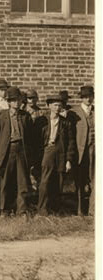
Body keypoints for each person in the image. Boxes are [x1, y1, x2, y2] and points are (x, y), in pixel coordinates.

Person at [0, 86, 34, 216]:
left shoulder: (25, 116)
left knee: (22, 181)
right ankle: (4, 210)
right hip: (8, 150)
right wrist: (4, 147)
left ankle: (22, 210)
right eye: (13, 100)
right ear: (9, 102)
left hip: (21, 150)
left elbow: (30, 135)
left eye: (18, 100)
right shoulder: (1, 117)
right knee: (5, 181)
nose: (16, 103)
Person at [36, 95, 77, 216]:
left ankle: (55, 210)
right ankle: (42, 210)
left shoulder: (65, 123)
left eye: (60, 105)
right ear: (49, 106)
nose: (57, 108)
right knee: (45, 181)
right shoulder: (41, 121)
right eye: (55, 105)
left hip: (61, 153)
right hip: (47, 151)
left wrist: (68, 160)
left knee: (58, 181)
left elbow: (71, 142)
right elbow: (35, 140)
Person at [70, 85, 95, 216]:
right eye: (85, 97)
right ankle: (79, 211)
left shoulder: (97, 111)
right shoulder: (75, 112)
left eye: (90, 96)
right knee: (80, 181)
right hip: (81, 152)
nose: (88, 99)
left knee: (95, 180)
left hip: (95, 151)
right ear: (82, 98)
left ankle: (93, 210)